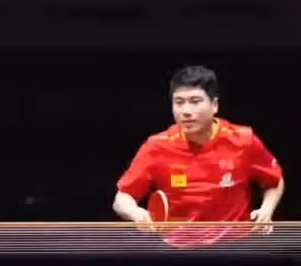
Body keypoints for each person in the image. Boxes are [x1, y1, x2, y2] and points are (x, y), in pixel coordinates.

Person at [112, 65, 284, 248]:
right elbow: (122, 198)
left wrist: (267, 210)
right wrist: (136, 213)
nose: (186, 111)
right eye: (179, 102)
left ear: (214, 105)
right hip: (178, 250)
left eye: (195, 101)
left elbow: (274, 180)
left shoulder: (243, 139)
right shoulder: (156, 146)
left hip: (235, 248)